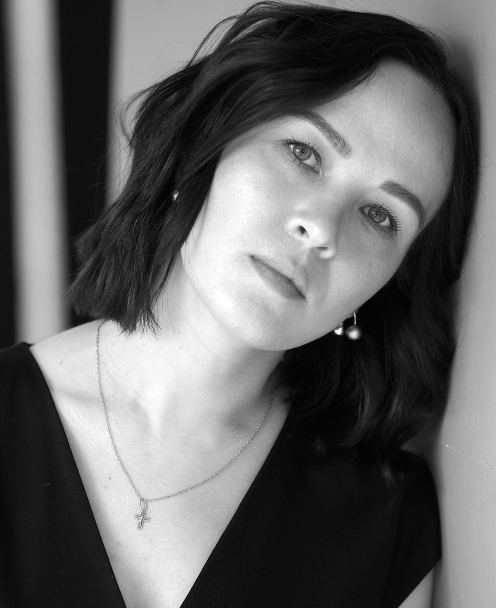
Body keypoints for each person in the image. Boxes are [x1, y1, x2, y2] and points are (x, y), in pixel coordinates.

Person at [0, 2, 478, 607]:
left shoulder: (383, 524)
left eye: (380, 216)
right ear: (206, 142)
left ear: (387, 283)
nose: (321, 229)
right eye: (304, 153)